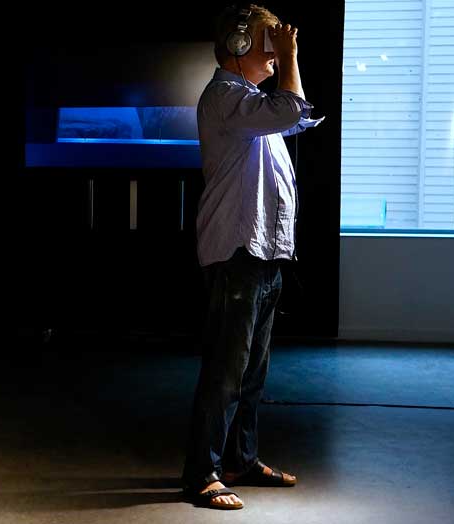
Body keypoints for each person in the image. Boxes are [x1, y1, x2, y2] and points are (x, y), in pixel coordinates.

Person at [181, 3, 323, 510]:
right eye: (265, 42)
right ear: (238, 46)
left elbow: (298, 116)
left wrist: (284, 62)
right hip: (235, 253)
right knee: (225, 370)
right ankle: (202, 473)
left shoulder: (248, 102)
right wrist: (289, 58)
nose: (272, 52)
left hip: (262, 252)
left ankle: (240, 458)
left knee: (251, 372)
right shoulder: (224, 96)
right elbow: (290, 108)